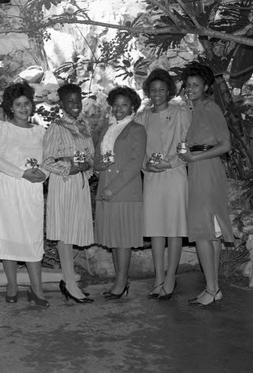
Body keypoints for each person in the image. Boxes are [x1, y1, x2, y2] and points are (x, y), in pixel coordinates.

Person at [178, 62, 234, 306]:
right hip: (199, 169)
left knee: (203, 231)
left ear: (206, 87)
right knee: (211, 232)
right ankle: (213, 288)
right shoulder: (196, 110)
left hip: (207, 170)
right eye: (188, 85)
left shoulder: (210, 108)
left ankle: (211, 288)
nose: (190, 88)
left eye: (196, 85)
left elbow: (225, 145)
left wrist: (194, 157)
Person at [0, 82, 49, 307]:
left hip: (32, 190)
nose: (24, 108)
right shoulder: (1, 128)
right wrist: (22, 173)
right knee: (9, 237)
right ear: (10, 107)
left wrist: (42, 175)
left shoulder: (41, 132)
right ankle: (12, 284)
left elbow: (49, 161)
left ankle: (37, 289)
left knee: (32, 238)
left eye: (27, 103)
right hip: (8, 188)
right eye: (18, 104)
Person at [135, 69, 191, 300]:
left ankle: (170, 278)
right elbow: (136, 149)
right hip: (151, 177)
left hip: (175, 174)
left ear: (169, 91)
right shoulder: (141, 117)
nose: (157, 94)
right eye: (153, 90)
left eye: (161, 89)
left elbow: (190, 142)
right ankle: (158, 278)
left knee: (174, 228)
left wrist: (170, 162)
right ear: (147, 92)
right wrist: (146, 166)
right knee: (156, 229)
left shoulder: (181, 112)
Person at [42, 83, 94, 304]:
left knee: (73, 231)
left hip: (79, 184)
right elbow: (46, 160)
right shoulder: (56, 127)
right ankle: (70, 283)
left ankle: (68, 280)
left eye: (78, 100)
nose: (76, 105)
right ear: (61, 104)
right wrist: (69, 168)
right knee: (65, 231)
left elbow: (90, 156)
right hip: (63, 183)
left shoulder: (84, 126)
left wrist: (87, 167)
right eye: (70, 101)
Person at [94, 86, 146, 300]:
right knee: (114, 239)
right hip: (106, 188)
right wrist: (101, 165)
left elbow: (135, 164)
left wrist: (111, 188)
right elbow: (96, 160)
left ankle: (121, 281)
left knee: (123, 239)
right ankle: (120, 279)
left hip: (124, 191)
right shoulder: (108, 129)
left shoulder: (137, 130)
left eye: (124, 105)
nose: (119, 109)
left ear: (132, 106)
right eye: (116, 105)